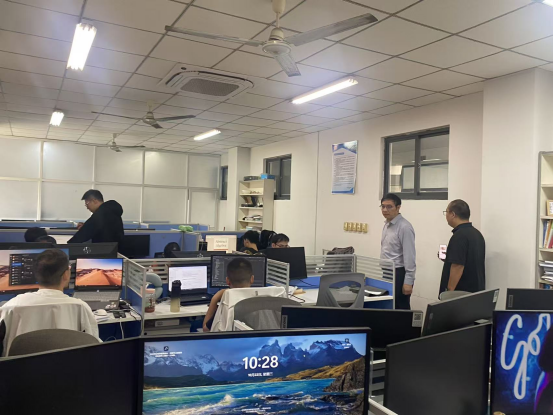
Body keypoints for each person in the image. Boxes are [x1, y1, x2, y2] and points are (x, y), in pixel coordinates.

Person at [2, 249, 99, 338]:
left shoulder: (11, 307)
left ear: (36, 274)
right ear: (66, 275)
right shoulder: (80, 307)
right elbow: (93, 342)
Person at [439, 200, 486, 295]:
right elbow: (468, 260)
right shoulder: (477, 234)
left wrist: (449, 292)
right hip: (475, 291)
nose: (446, 216)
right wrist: (449, 258)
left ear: (453, 214)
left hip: (461, 293)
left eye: (446, 212)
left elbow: (458, 266)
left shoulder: (459, 236)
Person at [380, 194, 416, 310]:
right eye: (383, 206)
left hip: (399, 273)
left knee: (401, 308)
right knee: (389, 306)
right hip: (387, 272)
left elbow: (409, 255)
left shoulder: (404, 227)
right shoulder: (387, 224)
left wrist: (408, 281)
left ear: (398, 207)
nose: (385, 210)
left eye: (389, 207)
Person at [203, 258, 254, 332]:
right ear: (252, 279)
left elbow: (206, 329)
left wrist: (215, 298)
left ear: (227, 281)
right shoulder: (261, 301)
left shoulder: (227, 305)